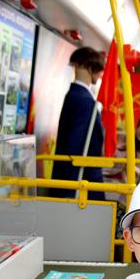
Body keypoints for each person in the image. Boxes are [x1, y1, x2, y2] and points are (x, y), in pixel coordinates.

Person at [50, 46, 106, 199]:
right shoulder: (85, 101)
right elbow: (77, 147)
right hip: (80, 180)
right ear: (90, 68)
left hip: (68, 176)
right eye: (99, 70)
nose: (100, 74)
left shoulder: (74, 95)